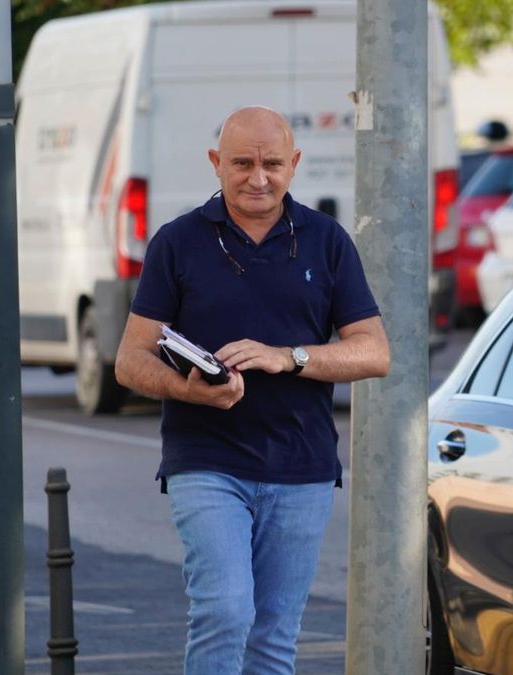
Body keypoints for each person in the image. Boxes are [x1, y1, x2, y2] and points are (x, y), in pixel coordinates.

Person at [114, 106, 390, 674]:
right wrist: (189, 390)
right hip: (207, 461)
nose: (257, 177)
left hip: (303, 468)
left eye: (271, 164)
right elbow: (129, 360)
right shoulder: (177, 242)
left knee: (273, 637)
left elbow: (374, 352)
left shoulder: (327, 240)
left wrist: (288, 357)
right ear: (216, 163)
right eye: (242, 163)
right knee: (225, 610)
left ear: (295, 163)